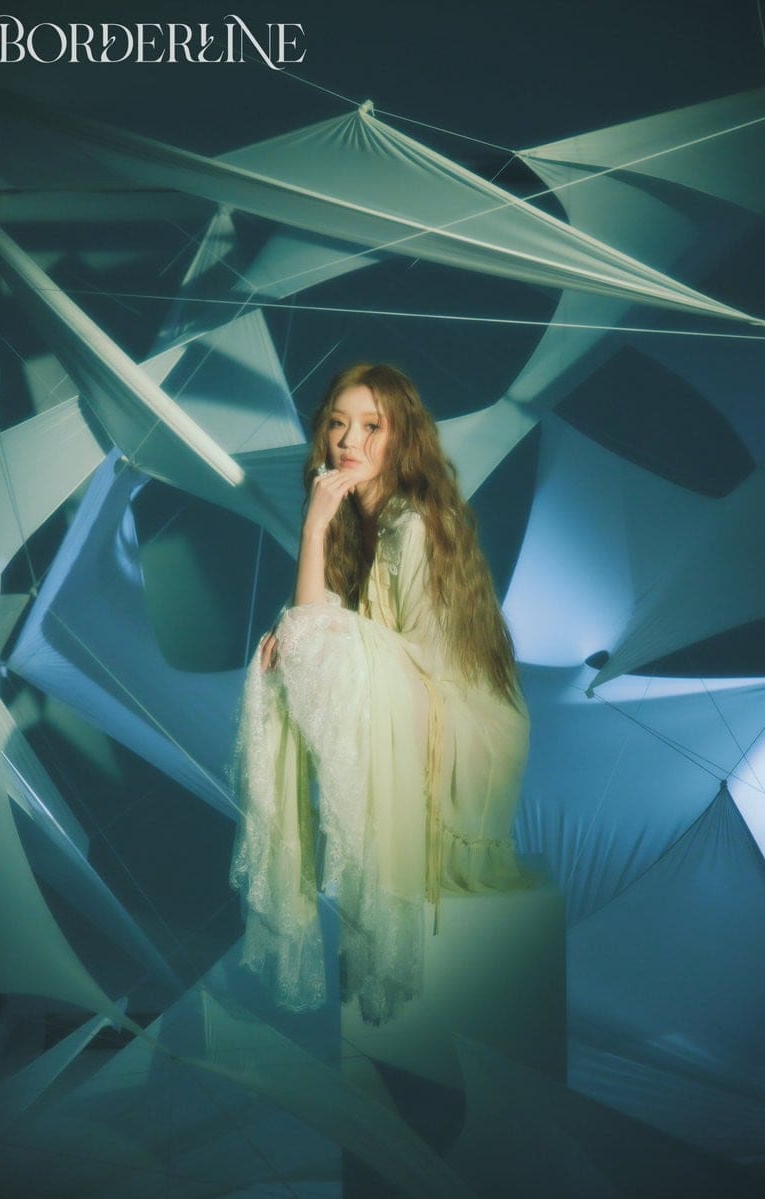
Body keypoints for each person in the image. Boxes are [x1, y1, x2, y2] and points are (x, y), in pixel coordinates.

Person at [228, 363, 530, 1024]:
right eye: (338, 424)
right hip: (410, 701)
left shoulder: (414, 525)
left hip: (464, 725)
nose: (348, 441)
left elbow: (428, 663)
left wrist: (317, 589)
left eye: (371, 426)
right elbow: (310, 633)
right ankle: (296, 878)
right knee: (280, 654)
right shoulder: (351, 522)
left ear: (402, 440)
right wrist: (317, 537)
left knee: (310, 636)